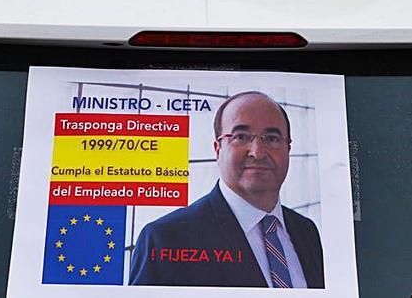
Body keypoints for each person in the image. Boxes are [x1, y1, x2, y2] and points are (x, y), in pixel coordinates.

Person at [129, 92, 325, 288]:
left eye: (272, 138)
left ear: (287, 149)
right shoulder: (165, 238)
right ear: (217, 149)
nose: (257, 152)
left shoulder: (306, 231)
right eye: (240, 136)